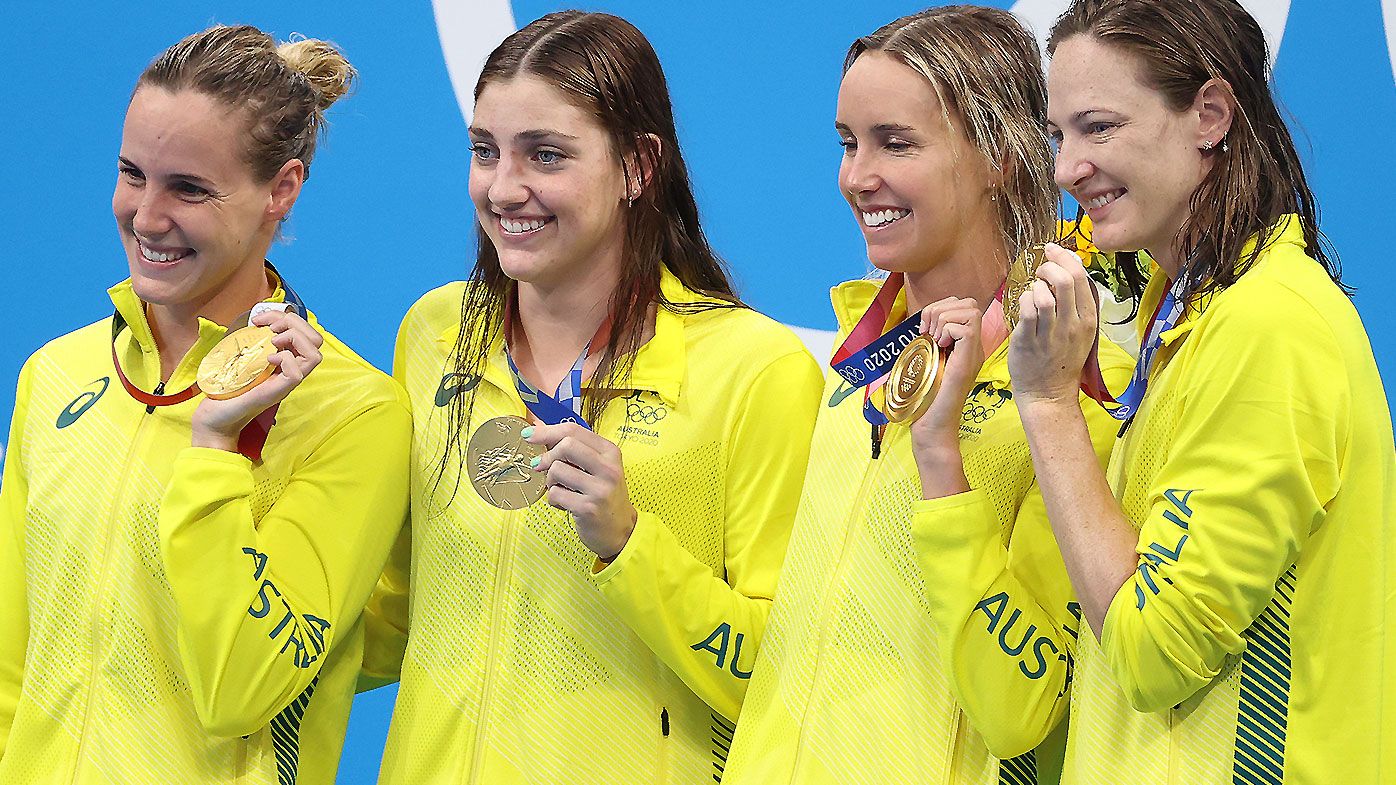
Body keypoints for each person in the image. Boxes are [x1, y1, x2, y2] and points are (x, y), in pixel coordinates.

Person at [360, 11, 823, 784]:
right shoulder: (437, 332)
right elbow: (399, 609)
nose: (504, 188)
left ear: (639, 167)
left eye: (546, 155)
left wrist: (632, 544)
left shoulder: (754, 370)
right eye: (485, 151)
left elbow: (784, 681)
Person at [721, 7, 1132, 784]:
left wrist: (940, 457)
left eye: (895, 143)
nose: (856, 176)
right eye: (847, 143)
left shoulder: (1077, 389)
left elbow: (1022, 710)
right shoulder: (858, 372)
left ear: (999, 158)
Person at [0, 25, 410, 784]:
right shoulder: (54, 374)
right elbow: (10, 667)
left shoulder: (353, 413)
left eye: (188, 188)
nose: (146, 216)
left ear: (281, 189)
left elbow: (242, 688)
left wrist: (217, 450)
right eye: (132, 174)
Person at [1011, 0, 1395, 782]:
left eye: (1100, 127)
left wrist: (1050, 408)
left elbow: (1156, 652)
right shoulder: (1190, 317)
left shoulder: (1270, 324)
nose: (1065, 168)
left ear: (1210, 115)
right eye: (1059, 135)